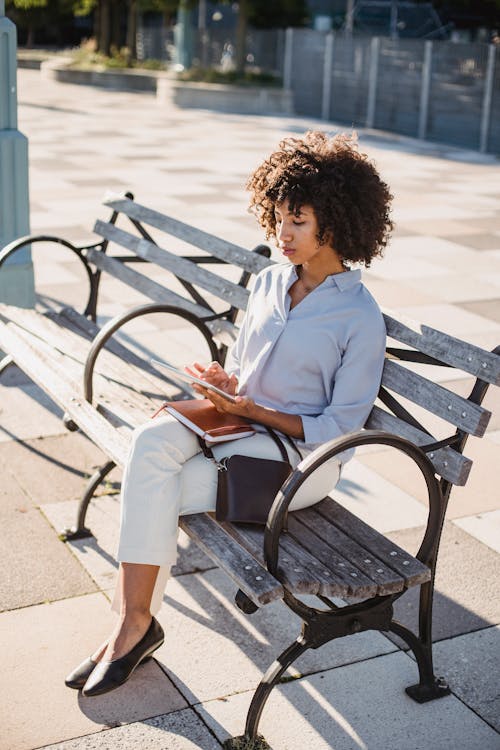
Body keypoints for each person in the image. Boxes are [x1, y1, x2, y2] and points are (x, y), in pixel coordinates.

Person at [65, 130, 393, 697]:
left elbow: (340, 429)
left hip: (300, 461)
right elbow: (242, 367)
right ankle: (131, 626)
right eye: (278, 217)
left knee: (153, 485)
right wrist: (224, 384)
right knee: (149, 447)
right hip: (239, 427)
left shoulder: (360, 318)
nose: (281, 233)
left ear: (336, 224)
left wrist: (252, 409)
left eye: (298, 221)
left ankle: (130, 628)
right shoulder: (269, 282)